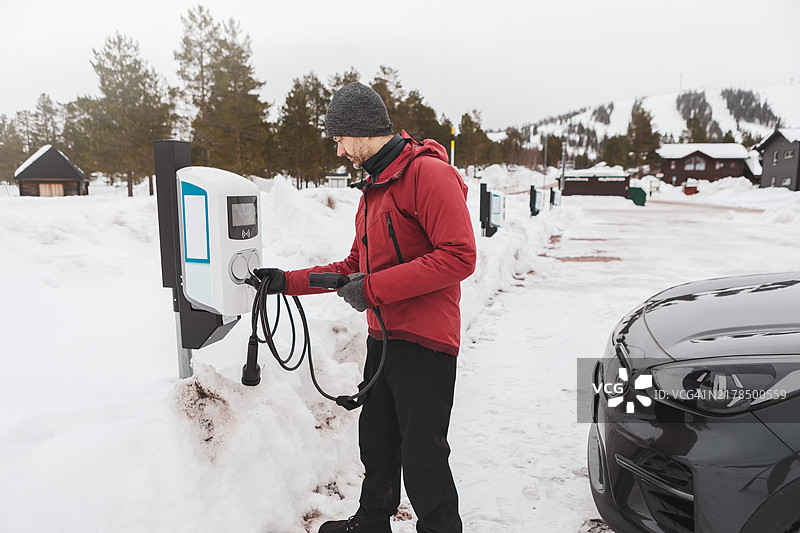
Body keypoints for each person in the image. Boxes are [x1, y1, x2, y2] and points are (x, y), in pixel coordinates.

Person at [257, 82, 476, 533]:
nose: (339, 150)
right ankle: (372, 522)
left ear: (361, 130)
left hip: (427, 342)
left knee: (423, 456)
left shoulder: (428, 175)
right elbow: (353, 268)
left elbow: (459, 256)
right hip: (384, 338)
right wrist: (285, 282)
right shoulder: (374, 189)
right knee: (377, 441)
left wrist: (373, 289)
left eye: (339, 139)